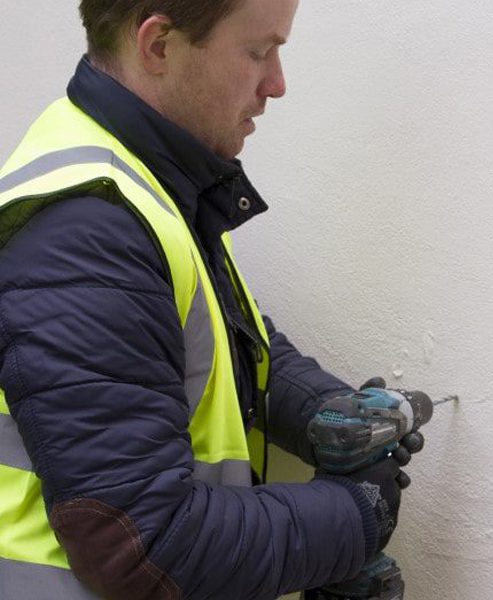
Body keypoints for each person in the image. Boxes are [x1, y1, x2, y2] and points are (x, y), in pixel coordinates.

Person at [0, 1, 421, 598]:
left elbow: (217, 344)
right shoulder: (86, 228)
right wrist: (357, 517)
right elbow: (144, 539)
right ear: (159, 46)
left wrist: (326, 412)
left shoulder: (142, 185)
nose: (276, 84)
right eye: (258, 51)